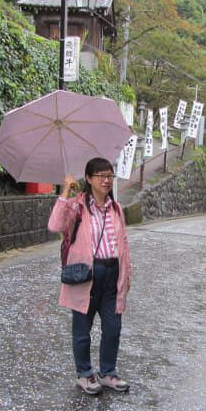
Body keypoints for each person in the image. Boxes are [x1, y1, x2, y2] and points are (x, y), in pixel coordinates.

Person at [48, 157, 132, 395]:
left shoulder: (115, 208)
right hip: (86, 275)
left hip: (112, 273)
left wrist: (127, 273)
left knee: (113, 327)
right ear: (88, 178)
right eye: (101, 176)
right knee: (82, 331)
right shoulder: (77, 206)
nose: (106, 181)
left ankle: (107, 372)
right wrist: (65, 191)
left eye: (110, 176)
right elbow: (55, 225)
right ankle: (84, 374)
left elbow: (123, 243)